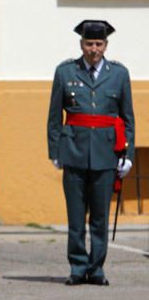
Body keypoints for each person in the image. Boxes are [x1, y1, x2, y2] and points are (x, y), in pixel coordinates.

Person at [47, 20, 135, 286]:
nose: (93, 49)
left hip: (107, 154)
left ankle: (96, 269)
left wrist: (127, 154)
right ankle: (77, 267)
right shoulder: (65, 72)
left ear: (106, 45)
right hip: (73, 151)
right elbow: (54, 116)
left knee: (99, 217)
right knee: (76, 219)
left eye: (98, 44)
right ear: (81, 44)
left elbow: (128, 117)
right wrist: (55, 150)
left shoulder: (119, 74)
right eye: (89, 44)